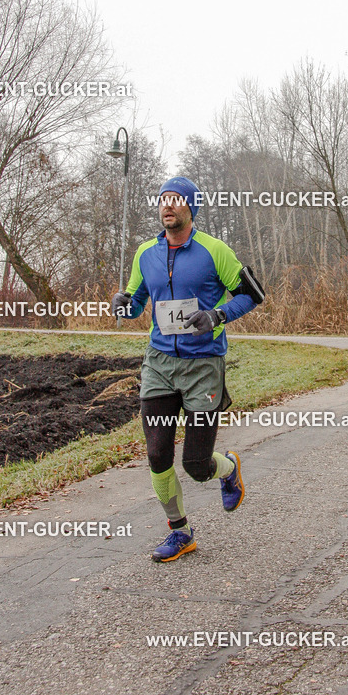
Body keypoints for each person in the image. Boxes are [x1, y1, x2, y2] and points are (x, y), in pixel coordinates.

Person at [111, 176, 264, 562]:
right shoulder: (146, 253)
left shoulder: (214, 251)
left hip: (203, 367)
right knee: (157, 453)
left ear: (191, 208)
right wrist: (121, 303)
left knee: (196, 465)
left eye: (177, 200)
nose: (168, 206)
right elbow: (133, 302)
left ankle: (227, 469)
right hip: (160, 364)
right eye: (163, 199)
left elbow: (253, 295)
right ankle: (180, 532)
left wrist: (217, 314)